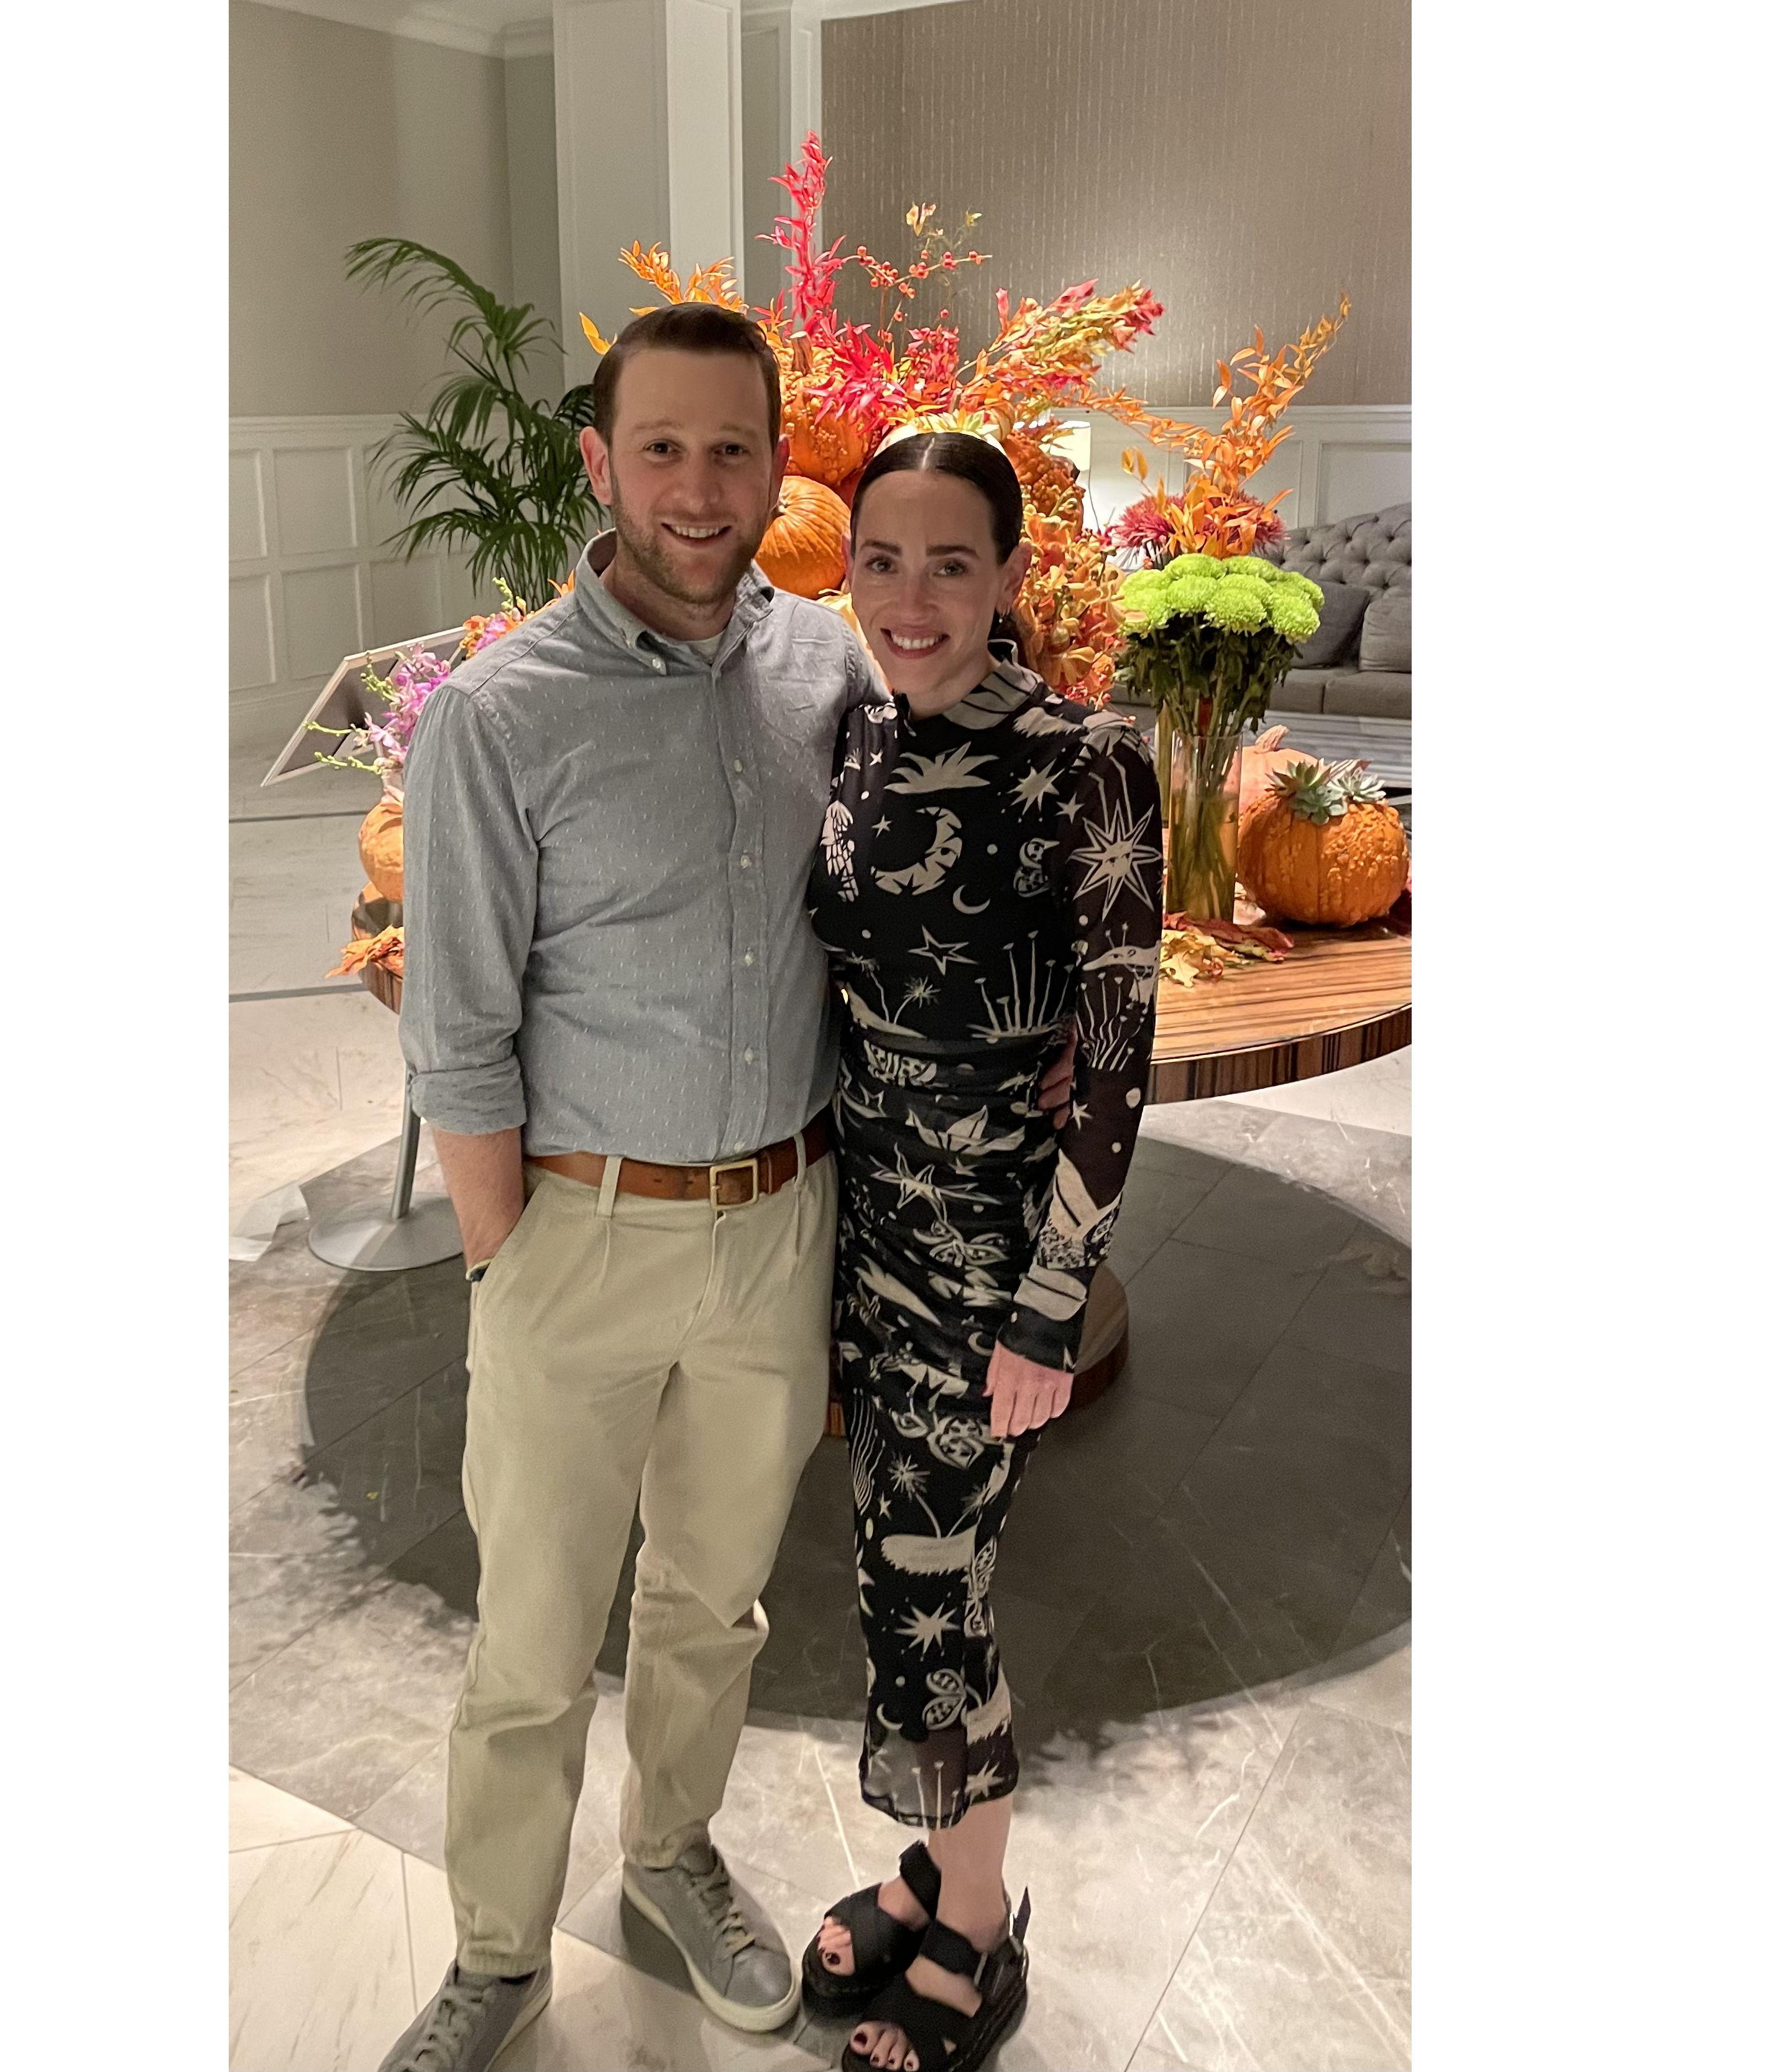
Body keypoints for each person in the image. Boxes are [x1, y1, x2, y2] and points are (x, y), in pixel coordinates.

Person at [379, 311, 1072, 2072]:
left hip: (782, 1231)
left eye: (733, 449)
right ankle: (492, 1956)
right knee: (534, 1636)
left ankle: (673, 1857)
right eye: (662, 448)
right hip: (577, 1231)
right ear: (599, 463)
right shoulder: (501, 717)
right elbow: (457, 1033)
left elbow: (947, 858)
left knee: (713, 1605)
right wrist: (508, 1261)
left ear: (780, 467)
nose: (699, 488)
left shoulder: (827, 667)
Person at [801, 433, 1163, 2072]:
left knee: (941, 1591)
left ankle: (978, 1927)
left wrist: (1048, 1305)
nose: (914, 596)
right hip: (861, 1231)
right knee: (892, 1582)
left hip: (991, 1265)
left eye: (954, 562)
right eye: (883, 559)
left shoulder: (1086, 761)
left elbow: (1118, 1053)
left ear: (1012, 573)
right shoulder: (855, 728)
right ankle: (928, 1867)